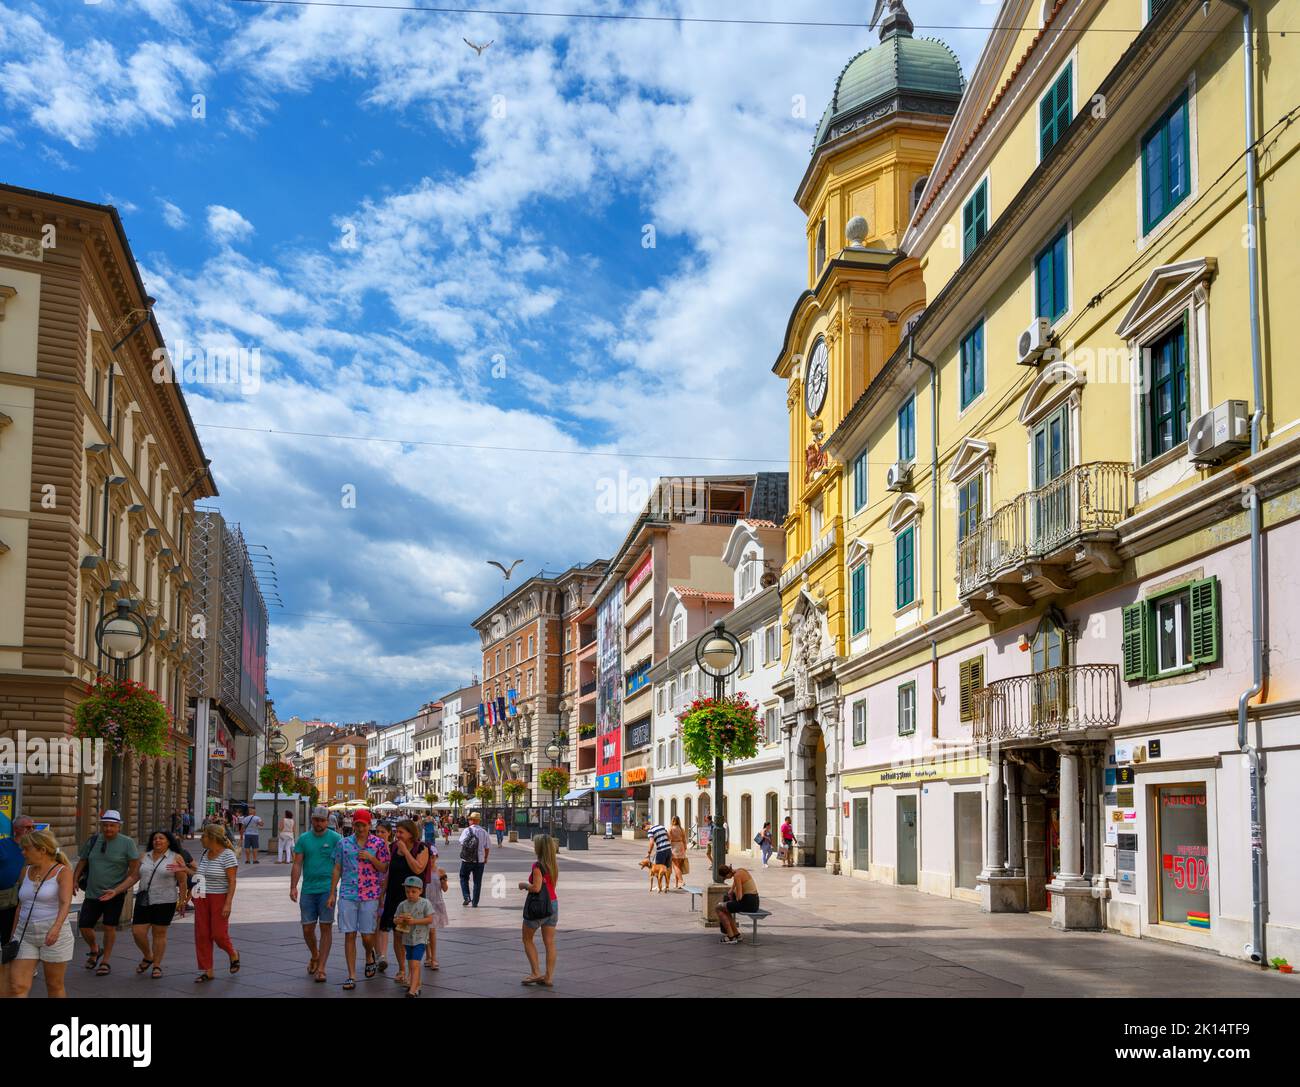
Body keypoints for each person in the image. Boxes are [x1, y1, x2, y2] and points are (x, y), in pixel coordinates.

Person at [8, 828, 75, 998]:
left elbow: (65, 903)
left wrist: (56, 928)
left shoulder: (63, 872)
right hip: (24, 933)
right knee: (17, 986)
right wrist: (13, 935)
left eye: (26, 849)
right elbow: (21, 906)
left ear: (42, 850)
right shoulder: (26, 871)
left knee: (54, 985)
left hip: (53, 933)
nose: (23, 853)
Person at [73, 810, 140, 977]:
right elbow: (83, 860)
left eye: (112, 825)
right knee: (84, 926)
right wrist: (74, 879)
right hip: (92, 892)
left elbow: (134, 870)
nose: (108, 828)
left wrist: (120, 888)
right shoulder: (94, 840)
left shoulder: (127, 843)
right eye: (105, 825)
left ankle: (105, 961)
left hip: (114, 893)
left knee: (109, 926)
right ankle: (95, 949)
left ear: (119, 827)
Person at [328, 809, 389, 991]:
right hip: (348, 893)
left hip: (370, 894)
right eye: (357, 824)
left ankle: (369, 955)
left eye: (363, 824)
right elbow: (337, 868)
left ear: (369, 825)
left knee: (367, 935)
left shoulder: (378, 844)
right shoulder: (343, 843)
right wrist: (332, 893)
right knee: (349, 933)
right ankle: (351, 975)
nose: (360, 828)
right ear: (353, 824)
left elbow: (384, 868)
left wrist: (371, 858)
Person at [291, 806, 341, 983]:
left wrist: (335, 890)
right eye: (316, 820)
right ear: (312, 820)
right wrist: (293, 886)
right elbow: (297, 864)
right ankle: (315, 954)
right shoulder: (304, 839)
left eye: (322, 820)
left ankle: (322, 967)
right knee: (307, 928)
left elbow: (339, 864)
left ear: (328, 821)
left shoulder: (336, 839)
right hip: (308, 890)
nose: (318, 823)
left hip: (328, 889)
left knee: (326, 927)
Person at [130, 830, 188, 979]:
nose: (157, 841)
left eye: (161, 838)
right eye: (155, 838)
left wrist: (182, 901)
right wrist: (117, 890)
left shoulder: (176, 857)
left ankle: (156, 965)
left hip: (165, 900)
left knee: (159, 933)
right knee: (138, 932)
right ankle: (148, 956)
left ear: (168, 842)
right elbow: (134, 876)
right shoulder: (144, 856)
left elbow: (182, 881)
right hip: (144, 899)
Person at [382, 820, 432, 986]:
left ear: (411, 833)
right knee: (397, 933)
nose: (398, 835)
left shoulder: (422, 848)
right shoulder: (394, 847)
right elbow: (390, 871)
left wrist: (406, 851)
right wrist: (382, 893)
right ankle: (402, 968)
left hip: (414, 897)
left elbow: (418, 868)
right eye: (397, 831)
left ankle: (413, 970)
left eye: (401, 832)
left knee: (412, 935)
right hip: (395, 896)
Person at [193, 824, 240, 983]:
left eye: (204, 835)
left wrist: (228, 903)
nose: (201, 839)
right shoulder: (205, 853)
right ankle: (208, 970)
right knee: (202, 935)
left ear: (212, 837)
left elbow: (232, 881)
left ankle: (232, 953)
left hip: (219, 898)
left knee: (218, 934)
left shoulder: (227, 855)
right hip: (201, 897)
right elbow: (200, 875)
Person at [0, 813, 34, 997]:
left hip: (24, 899)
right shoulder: (4, 845)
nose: (31, 830)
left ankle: (15, 967)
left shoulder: (34, 849)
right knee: (6, 931)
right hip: (4, 897)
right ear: (17, 829)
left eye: (33, 827)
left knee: (15, 934)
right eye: (27, 827)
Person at [519, 834, 558, 987]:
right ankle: (548, 977)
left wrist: (523, 885)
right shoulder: (553, 864)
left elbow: (536, 888)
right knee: (549, 942)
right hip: (553, 904)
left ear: (539, 848)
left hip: (538, 907)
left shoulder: (538, 866)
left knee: (527, 939)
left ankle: (535, 972)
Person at [392, 875, 434, 997]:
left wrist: (414, 921)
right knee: (411, 964)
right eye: (407, 891)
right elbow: (395, 919)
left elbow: (430, 919)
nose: (410, 894)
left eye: (413, 892)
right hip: (407, 939)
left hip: (420, 939)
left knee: (415, 964)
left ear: (420, 891)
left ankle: (412, 990)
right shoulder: (402, 905)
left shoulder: (425, 903)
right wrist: (398, 921)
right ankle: (417, 984)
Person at [715, 863, 760, 945]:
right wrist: (731, 892)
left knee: (718, 908)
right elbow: (732, 889)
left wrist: (730, 900)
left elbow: (739, 897)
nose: (726, 879)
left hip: (748, 903)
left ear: (728, 874)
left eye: (725, 877)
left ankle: (731, 937)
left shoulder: (737, 876)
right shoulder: (740, 870)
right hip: (755, 901)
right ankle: (736, 935)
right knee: (725, 908)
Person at [372, 821, 395, 972]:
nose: (379, 835)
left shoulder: (393, 848)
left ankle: (383, 956)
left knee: (384, 925)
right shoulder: (372, 847)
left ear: (389, 833)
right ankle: (378, 953)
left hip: (389, 889)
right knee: (375, 924)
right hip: (374, 888)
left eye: (382, 832)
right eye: (377, 832)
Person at [457, 812, 491, 907]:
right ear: (479, 820)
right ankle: (475, 902)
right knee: (477, 881)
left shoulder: (467, 830)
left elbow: (462, 843)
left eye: (470, 819)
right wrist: (485, 858)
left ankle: (467, 897)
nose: (469, 821)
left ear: (472, 820)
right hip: (479, 861)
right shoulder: (484, 832)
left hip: (467, 860)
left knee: (463, 878)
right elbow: (487, 847)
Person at [667, 816, 688, 888]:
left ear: (672, 821)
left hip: (674, 847)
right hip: (681, 846)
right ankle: (677, 884)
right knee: (679, 866)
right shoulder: (682, 829)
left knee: (675, 866)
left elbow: (668, 840)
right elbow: (684, 839)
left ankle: (681, 881)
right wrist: (685, 847)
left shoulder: (670, 829)